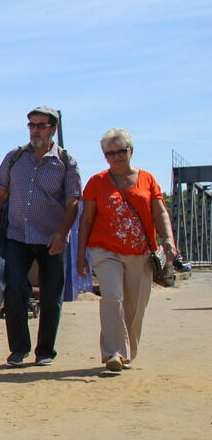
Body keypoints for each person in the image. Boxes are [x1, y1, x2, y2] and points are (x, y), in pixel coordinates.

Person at [0, 107, 82, 367]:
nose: (35, 130)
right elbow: (1, 195)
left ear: (53, 129)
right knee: (15, 288)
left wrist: (62, 233)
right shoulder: (14, 158)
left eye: (40, 125)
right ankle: (19, 349)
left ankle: (45, 351)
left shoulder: (66, 162)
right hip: (17, 235)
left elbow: (73, 201)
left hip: (52, 239)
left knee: (51, 295)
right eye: (31, 125)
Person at [75, 128, 177, 372]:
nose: (116, 157)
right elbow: (86, 219)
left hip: (141, 252)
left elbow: (159, 212)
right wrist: (81, 254)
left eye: (121, 151)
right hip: (105, 250)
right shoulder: (96, 182)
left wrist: (169, 239)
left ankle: (127, 352)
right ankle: (113, 353)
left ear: (131, 151)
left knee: (135, 306)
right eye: (109, 153)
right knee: (112, 299)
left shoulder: (147, 180)